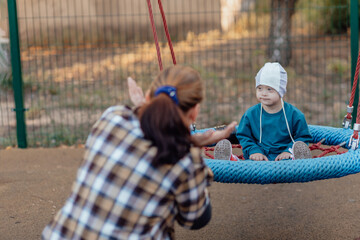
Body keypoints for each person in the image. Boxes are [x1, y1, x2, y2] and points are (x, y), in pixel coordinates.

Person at [42, 65, 237, 239]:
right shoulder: (185, 159)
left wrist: (145, 109)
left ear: (147, 97)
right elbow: (196, 219)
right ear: (194, 112)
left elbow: (144, 136)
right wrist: (193, 146)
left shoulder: (113, 116)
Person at [235, 62, 312, 161]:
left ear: (281, 91)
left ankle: (294, 157)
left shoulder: (295, 115)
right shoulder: (250, 114)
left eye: (269, 89)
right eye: (259, 88)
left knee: (293, 162)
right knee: (249, 165)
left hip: (285, 158)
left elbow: (303, 137)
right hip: (259, 156)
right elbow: (244, 135)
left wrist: (289, 151)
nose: (263, 93)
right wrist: (254, 150)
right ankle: (232, 159)